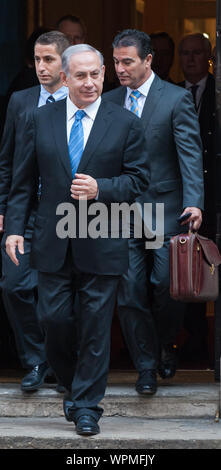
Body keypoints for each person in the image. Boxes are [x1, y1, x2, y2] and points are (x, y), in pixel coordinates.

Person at [5, 44, 149, 435]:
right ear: (65, 78)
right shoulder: (40, 119)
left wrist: (100, 187)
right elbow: (22, 182)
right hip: (52, 237)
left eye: (96, 74)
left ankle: (87, 406)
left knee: (96, 325)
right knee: (54, 319)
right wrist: (15, 229)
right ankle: (71, 382)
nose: (90, 83)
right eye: (80, 76)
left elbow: (139, 181)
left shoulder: (125, 122)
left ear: (104, 73)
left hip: (103, 233)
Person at [103, 29, 204, 395]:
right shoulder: (109, 100)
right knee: (128, 291)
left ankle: (163, 344)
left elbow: (189, 154)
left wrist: (195, 200)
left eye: (127, 61)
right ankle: (146, 365)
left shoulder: (175, 99)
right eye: (115, 61)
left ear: (148, 60)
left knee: (164, 286)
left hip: (165, 210)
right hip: (119, 212)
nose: (120, 69)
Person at [0, 31, 70, 392]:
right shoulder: (21, 102)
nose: (41, 67)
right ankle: (35, 360)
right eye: (37, 59)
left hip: (67, 216)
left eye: (49, 60)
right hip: (25, 212)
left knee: (57, 298)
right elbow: (7, 161)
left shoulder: (82, 100)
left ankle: (60, 363)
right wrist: (3, 209)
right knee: (14, 286)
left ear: (65, 63)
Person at [178, 33, 216, 362]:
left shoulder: (218, 91)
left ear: (208, 56)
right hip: (184, 200)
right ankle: (192, 341)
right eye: (184, 53)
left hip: (215, 196)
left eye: (196, 53)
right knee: (187, 271)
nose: (190, 59)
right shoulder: (172, 94)